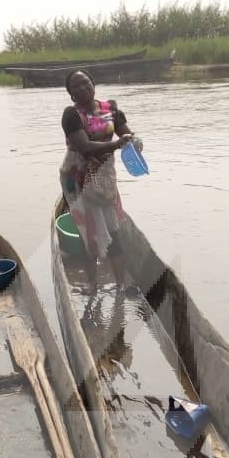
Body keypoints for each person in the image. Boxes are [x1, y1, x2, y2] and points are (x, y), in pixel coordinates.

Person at [59, 70, 142, 295]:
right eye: (75, 86)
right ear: (70, 94)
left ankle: (121, 283)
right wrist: (116, 145)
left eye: (85, 82)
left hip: (104, 176)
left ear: (93, 84)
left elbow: (127, 134)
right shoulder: (71, 115)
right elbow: (84, 148)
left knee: (114, 227)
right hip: (78, 177)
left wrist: (134, 141)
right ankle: (92, 283)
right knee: (89, 230)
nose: (82, 88)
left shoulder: (111, 108)